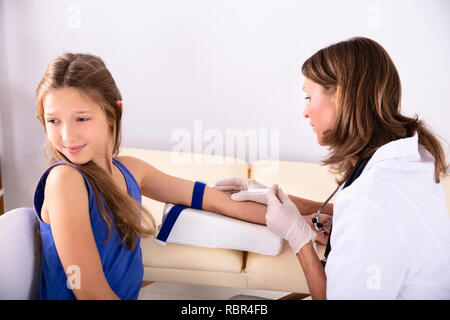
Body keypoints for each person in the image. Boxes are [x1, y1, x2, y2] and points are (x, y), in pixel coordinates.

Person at [214, 37, 450, 299]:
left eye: (308, 96)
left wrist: (299, 238)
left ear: (342, 96)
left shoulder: (370, 197)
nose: (305, 112)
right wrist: (270, 196)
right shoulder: (413, 158)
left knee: (239, 302)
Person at [33, 53, 273, 300]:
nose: (67, 136)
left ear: (113, 113)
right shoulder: (65, 181)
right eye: (54, 121)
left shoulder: (131, 171)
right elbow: (90, 292)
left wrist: (308, 219)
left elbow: (216, 200)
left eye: (81, 119)